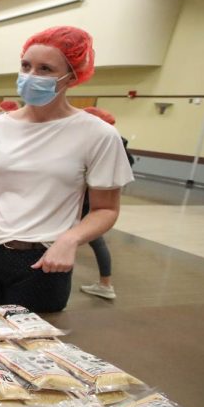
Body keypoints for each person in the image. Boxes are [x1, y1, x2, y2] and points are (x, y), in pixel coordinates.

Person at [0, 26, 134, 312]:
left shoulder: (97, 135)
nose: (30, 76)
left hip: (45, 261)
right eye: (26, 66)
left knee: (28, 352)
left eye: (45, 69)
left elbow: (106, 209)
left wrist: (70, 238)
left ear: (71, 77)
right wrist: (2, 224)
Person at [78, 106, 135, 300]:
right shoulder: (117, 144)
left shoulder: (102, 144)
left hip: (85, 204)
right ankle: (105, 283)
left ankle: (105, 284)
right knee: (97, 241)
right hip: (89, 203)